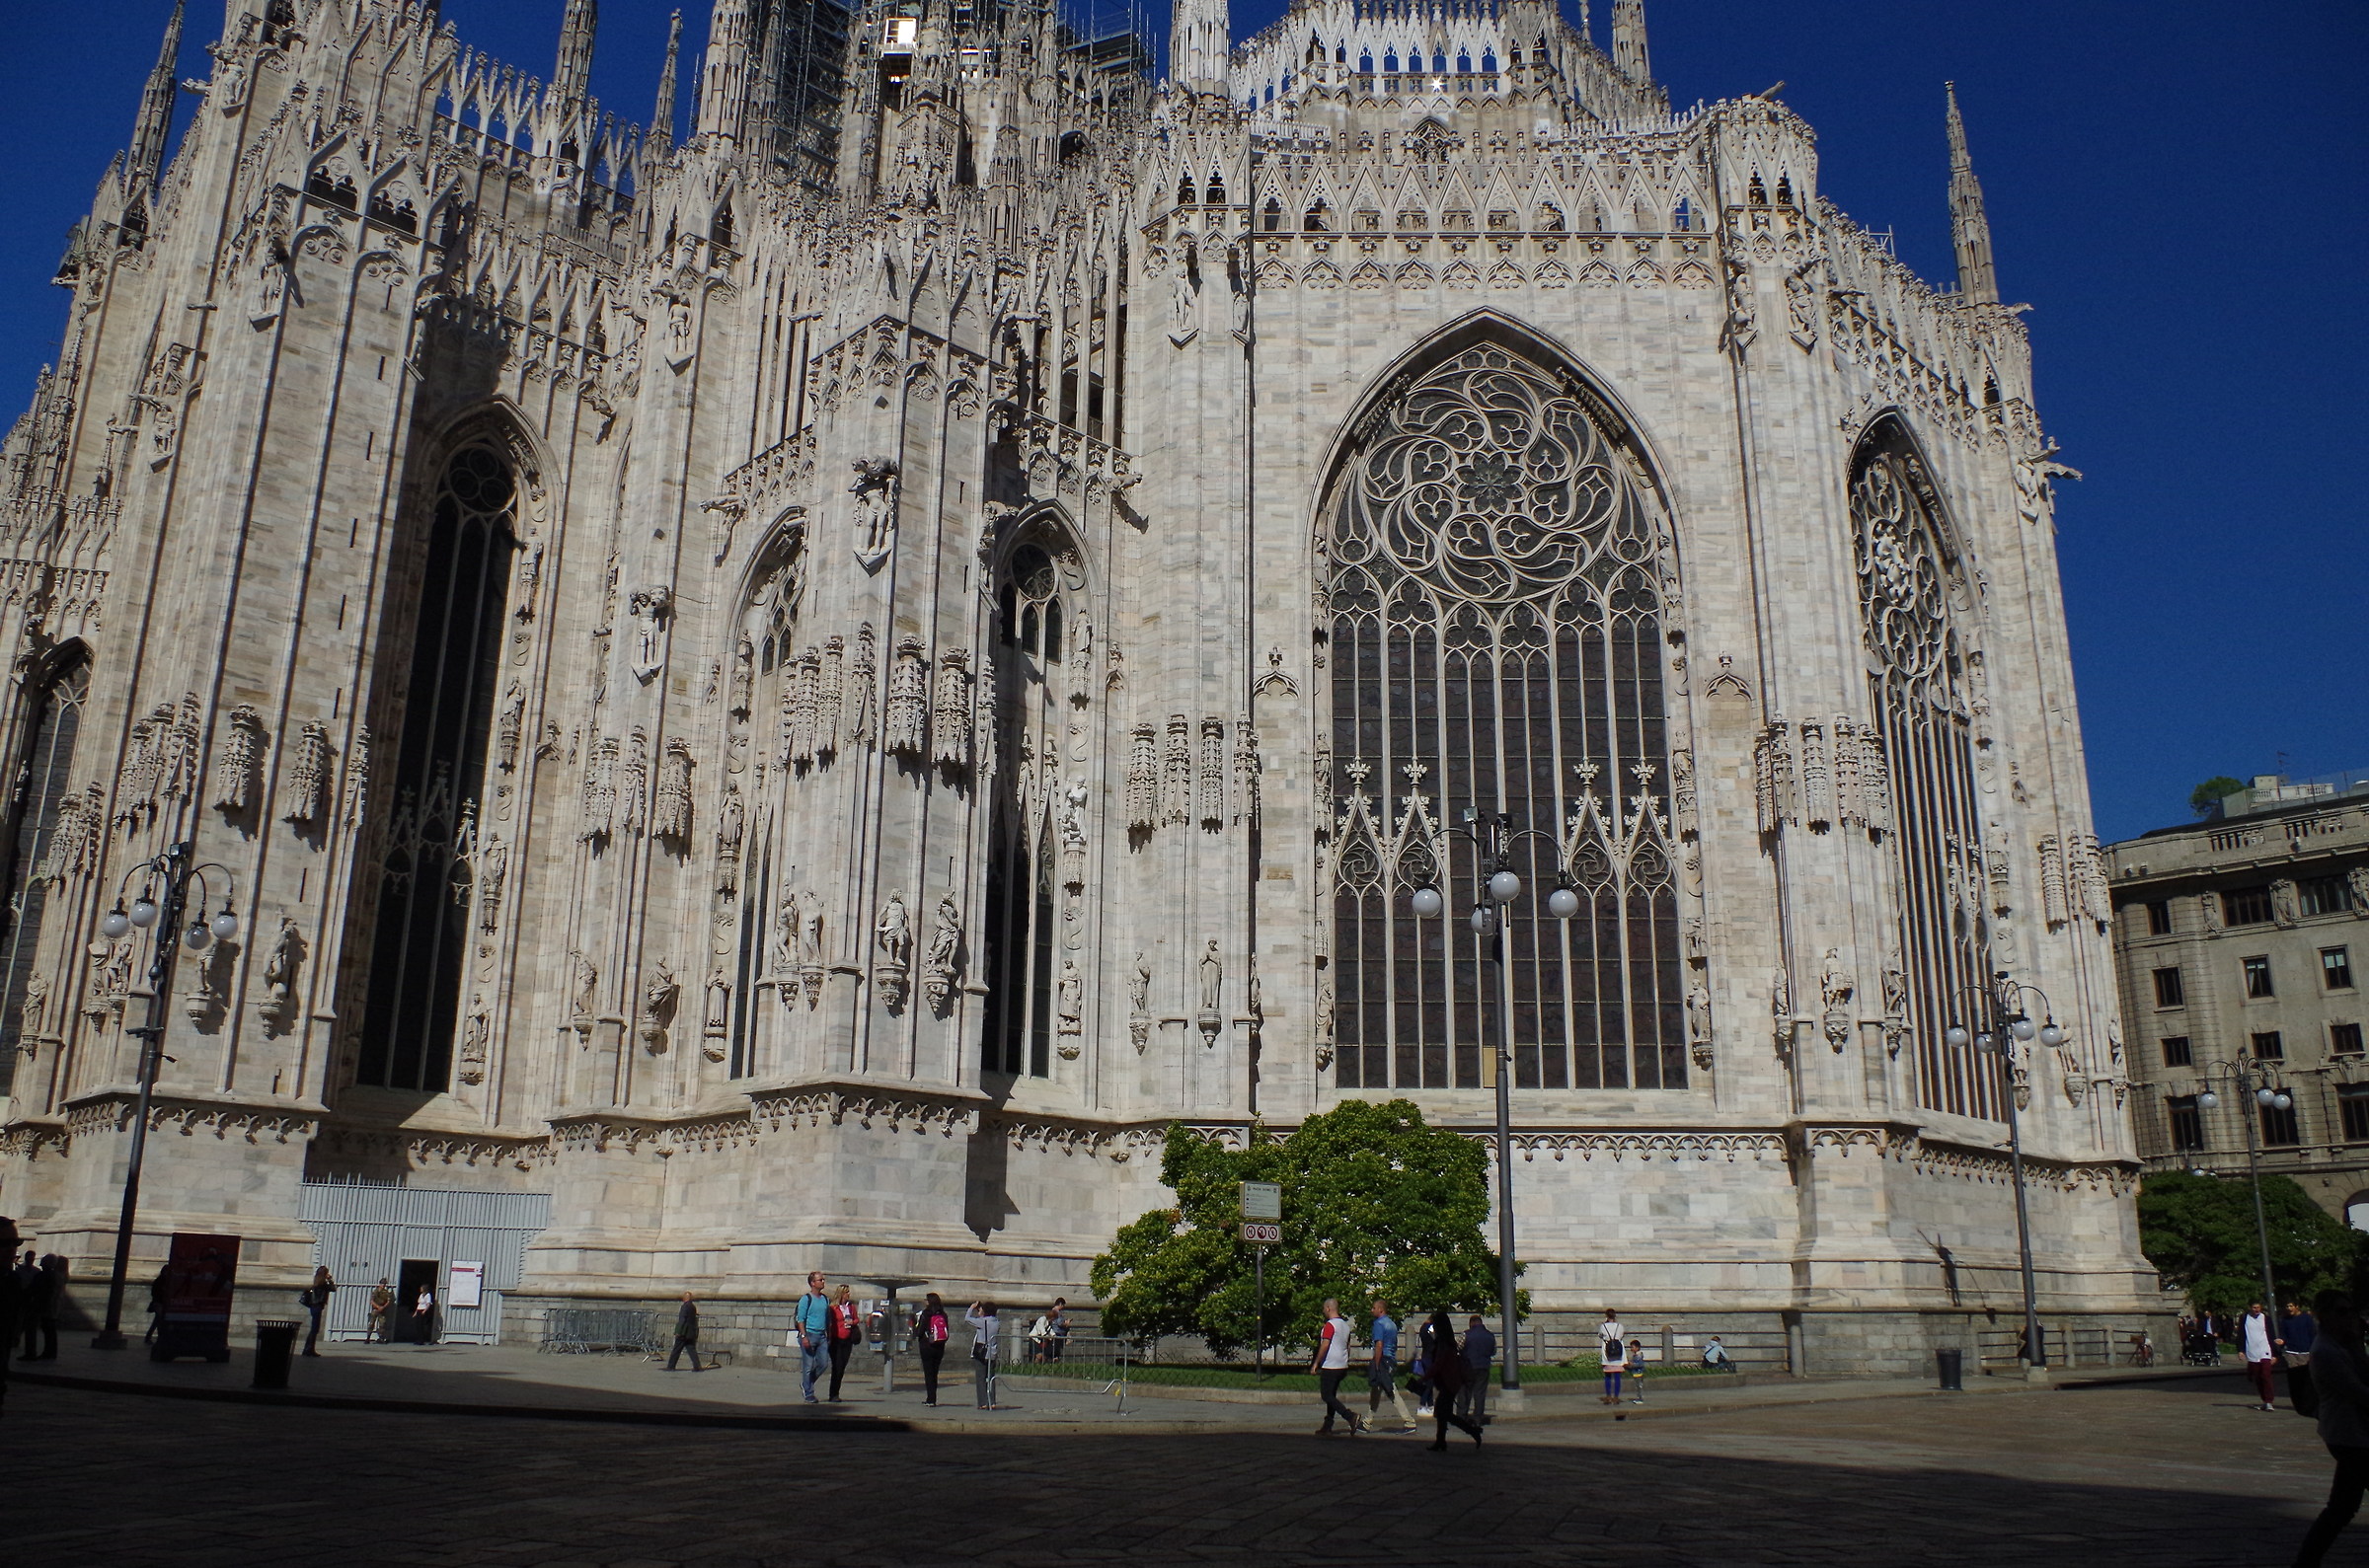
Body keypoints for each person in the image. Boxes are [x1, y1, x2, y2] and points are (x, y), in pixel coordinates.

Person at [2293, 1290, 2369, 1567]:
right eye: (2341, 1311)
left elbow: (2365, 1374)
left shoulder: (2343, 1345)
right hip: (2348, 1435)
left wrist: (2357, 1345)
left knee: (2341, 1508)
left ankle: (2306, 1562)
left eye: (2350, 1311)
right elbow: (2356, 1391)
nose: (2348, 1317)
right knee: (2341, 1508)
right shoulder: (2324, 1351)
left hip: (2355, 1434)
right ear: (2323, 1315)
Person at [1420, 1310, 1484, 1451]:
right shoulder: (1448, 1341)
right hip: (1450, 1381)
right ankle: (1441, 1441)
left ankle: (1471, 1431)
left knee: (1444, 1413)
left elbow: (1439, 1363)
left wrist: (1425, 1377)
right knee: (1443, 1413)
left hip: (1448, 1382)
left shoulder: (1443, 1343)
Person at [1310, 1297, 1362, 1435]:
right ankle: (1327, 1426)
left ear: (1328, 1308)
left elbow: (1325, 1344)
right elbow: (1348, 1346)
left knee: (1326, 1395)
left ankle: (1350, 1416)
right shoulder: (1345, 1325)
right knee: (1331, 1395)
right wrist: (1345, 1360)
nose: (1323, 1311)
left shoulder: (1330, 1325)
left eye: (1323, 1309)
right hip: (1342, 1365)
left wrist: (1316, 1363)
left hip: (1330, 1365)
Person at [1366, 1300, 1417, 1433]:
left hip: (1382, 1359)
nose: (1372, 1310)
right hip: (1390, 1359)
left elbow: (1379, 1345)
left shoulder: (1378, 1324)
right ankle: (1367, 1422)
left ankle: (1409, 1421)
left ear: (1380, 1310)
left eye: (1374, 1308)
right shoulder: (1392, 1324)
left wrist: (1376, 1364)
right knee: (1376, 1390)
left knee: (1391, 1390)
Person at [793, 1271, 831, 1403]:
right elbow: (800, 1319)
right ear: (812, 1283)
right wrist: (804, 1336)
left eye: (823, 1280)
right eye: (820, 1280)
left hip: (821, 1336)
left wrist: (828, 1334)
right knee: (808, 1365)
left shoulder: (826, 1299)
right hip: (808, 1334)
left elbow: (827, 1319)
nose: (823, 1282)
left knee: (823, 1364)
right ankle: (809, 1393)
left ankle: (806, 1383)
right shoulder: (806, 1299)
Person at [826, 1282, 863, 1399]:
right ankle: (833, 1394)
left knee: (842, 1366)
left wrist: (852, 1322)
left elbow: (856, 1319)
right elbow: (829, 1323)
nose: (849, 1294)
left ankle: (836, 1392)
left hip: (847, 1339)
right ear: (841, 1294)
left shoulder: (850, 1307)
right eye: (847, 1292)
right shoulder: (833, 1308)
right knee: (837, 1366)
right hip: (836, 1339)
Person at [2243, 1299, 2280, 1412]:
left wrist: (2275, 1354)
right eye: (2254, 1307)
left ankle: (2269, 1401)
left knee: (2266, 1375)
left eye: (2258, 1307)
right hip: (2252, 1351)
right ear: (2250, 1308)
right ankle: (2264, 1400)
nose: (2256, 1310)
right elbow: (2241, 1334)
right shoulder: (2245, 1318)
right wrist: (2240, 1350)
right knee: (2257, 1377)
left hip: (2265, 1350)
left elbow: (2272, 1335)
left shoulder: (2266, 1319)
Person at [915, 1292, 953, 1406]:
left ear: (929, 1301)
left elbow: (920, 1332)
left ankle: (930, 1399)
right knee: (935, 1373)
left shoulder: (926, 1313)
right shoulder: (943, 1314)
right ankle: (933, 1398)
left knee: (928, 1373)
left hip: (927, 1346)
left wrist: (915, 1328)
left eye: (926, 1299)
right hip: (939, 1346)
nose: (924, 1301)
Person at [1462, 1313, 1497, 1425]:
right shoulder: (1490, 1335)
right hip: (1483, 1367)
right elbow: (1493, 1351)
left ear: (1471, 1323)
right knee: (1480, 1393)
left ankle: (1462, 1416)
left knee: (1464, 1392)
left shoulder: (1466, 1334)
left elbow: (1458, 1348)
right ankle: (1477, 1418)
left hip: (1467, 1367)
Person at [966, 1300, 1000, 1410]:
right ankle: (992, 1401)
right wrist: (982, 1314)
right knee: (990, 1378)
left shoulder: (982, 1322)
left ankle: (983, 1402)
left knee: (980, 1378)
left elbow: (967, 1318)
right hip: (992, 1353)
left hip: (981, 1353)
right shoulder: (996, 1322)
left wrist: (972, 1307)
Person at [299, 1266, 335, 1357]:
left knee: (314, 1329)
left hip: (314, 1306)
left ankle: (308, 1348)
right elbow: (333, 1288)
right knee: (315, 1329)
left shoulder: (317, 1282)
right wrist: (330, 1279)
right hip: (317, 1306)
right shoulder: (322, 1283)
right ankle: (309, 1349)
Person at [666, 1292, 703, 1371]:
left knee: (676, 1350)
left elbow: (682, 1320)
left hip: (684, 1332)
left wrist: (678, 1331)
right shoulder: (693, 1307)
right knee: (691, 1350)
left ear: (685, 1298)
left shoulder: (684, 1306)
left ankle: (671, 1366)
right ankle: (697, 1366)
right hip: (691, 1332)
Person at [1599, 1309, 1628, 1404]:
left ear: (1606, 1316)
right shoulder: (1620, 1326)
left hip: (1608, 1354)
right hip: (1618, 1354)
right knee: (1617, 1376)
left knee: (1607, 1376)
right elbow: (1622, 1335)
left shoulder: (1603, 1326)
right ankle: (1616, 1397)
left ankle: (1608, 1396)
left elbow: (1600, 1336)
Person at [2288, 1301, 2322, 1367]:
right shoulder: (2285, 1319)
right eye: (2287, 1306)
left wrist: (2312, 1348)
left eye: (2291, 1306)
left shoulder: (2307, 1318)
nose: (2289, 1308)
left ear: (2296, 1307)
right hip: (2291, 1351)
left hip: (2305, 1350)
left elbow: (2312, 1333)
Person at [145, 1265, 171, 1345]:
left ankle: (151, 1337)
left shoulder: (167, 1281)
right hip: (158, 1303)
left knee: (157, 1321)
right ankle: (159, 1338)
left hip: (162, 1303)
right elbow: (154, 1293)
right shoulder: (160, 1281)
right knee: (159, 1321)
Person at [366, 1278, 394, 1344]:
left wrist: (383, 1307)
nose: (383, 1285)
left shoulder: (386, 1292)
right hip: (375, 1309)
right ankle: (368, 1338)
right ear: (380, 1284)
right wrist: (378, 1307)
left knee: (382, 1324)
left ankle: (381, 1338)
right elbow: (372, 1301)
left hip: (382, 1310)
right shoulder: (376, 1291)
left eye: (384, 1284)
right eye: (382, 1283)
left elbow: (388, 1301)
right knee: (371, 1324)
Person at [1627, 1337, 1648, 1404]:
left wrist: (1632, 1364)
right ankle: (1639, 1398)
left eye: (1632, 1347)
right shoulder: (1635, 1355)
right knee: (1637, 1386)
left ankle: (1640, 1398)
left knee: (1639, 1386)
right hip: (1635, 1373)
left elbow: (1640, 1364)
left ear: (1637, 1347)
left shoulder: (1639, 1356)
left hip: (1639, 1373)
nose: (1631, 1349)